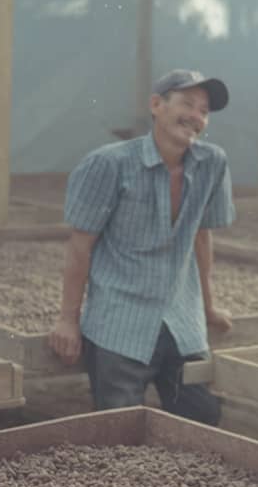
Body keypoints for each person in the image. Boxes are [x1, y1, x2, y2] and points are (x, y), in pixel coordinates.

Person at [48, 68, 236, 426]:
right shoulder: (109, 164)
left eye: (204, 111)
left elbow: (201, 236)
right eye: (187, 104)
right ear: (156, 105)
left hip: (183, 322)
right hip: (121, 324)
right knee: (120, 430)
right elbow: (80, 248)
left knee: (202, 419)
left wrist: (209, 307)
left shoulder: (213, 164)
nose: (196, 117)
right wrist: (67, 320)